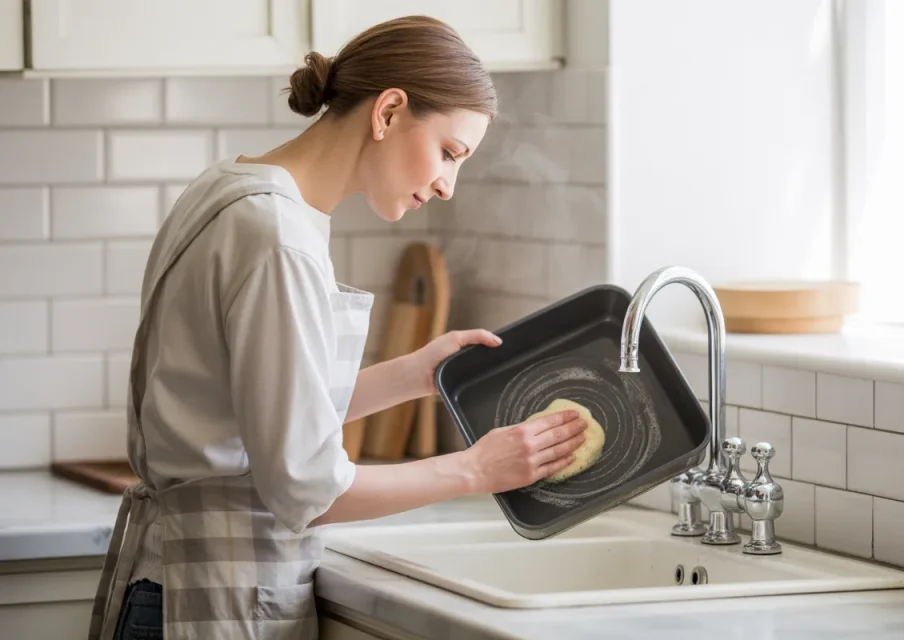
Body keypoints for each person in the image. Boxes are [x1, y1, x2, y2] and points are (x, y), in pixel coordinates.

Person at [88, 15, 589, 640]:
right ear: (389, 112)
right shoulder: (278, 239)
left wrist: (416, 375)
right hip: (210, 597)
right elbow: (307, 487)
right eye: (448, 153)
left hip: (174, 582)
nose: (447, 186)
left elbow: (265, 415)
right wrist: (475, 469)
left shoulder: (232, 189)